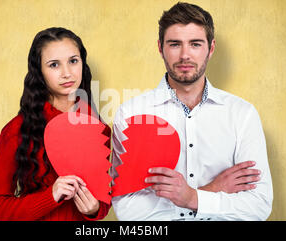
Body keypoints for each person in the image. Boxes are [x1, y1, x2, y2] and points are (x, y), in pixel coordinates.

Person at [111, 2, 273, 220]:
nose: (185, 55)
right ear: (160, 48)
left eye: (195, 44)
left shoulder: (242, 114)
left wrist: (193, 197)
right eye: (175, 44)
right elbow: (128, 210)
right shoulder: (130, 113)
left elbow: (258, 206)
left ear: (211, 48)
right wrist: (212, 190)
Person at [0, 27, 110, 221]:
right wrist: (50, 196)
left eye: (73, 61)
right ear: (39, 72)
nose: (67, 73)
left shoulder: (100, 130)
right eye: (54, 65)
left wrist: (95, 209)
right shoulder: (16, 131)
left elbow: (103, 201)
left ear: (82, 64)